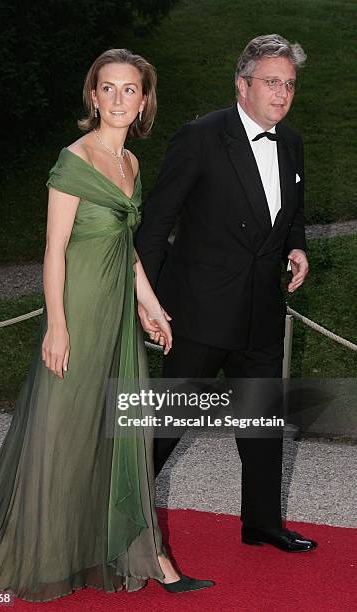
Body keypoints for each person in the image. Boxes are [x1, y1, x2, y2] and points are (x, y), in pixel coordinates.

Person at [0, 49, 214, 602]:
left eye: (131, 90)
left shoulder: (132, 164)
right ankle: (47, 553)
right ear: (92, 96)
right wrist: (57, 326)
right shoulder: (74, 161)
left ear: (145, 100)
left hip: (117, 313)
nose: (119, 99)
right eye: (109, 88)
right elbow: (53, 249)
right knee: (64, 432)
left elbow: (129, 246)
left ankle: (148, 555)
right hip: (80, 312)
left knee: (121, 434)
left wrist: (151, 305)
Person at [136, 34, 318, 553]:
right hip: (198, 308)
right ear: (242, 85)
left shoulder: (292, 142)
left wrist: (298, 247)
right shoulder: (200, 137)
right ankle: (117, 517)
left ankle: (261, 522)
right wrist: (147, 302)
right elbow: (155, 226)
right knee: (168, 424)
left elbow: (292, 212)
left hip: (262, 307)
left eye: (288, 84)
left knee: (262, 423)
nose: (281, 94)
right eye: (270, 82)